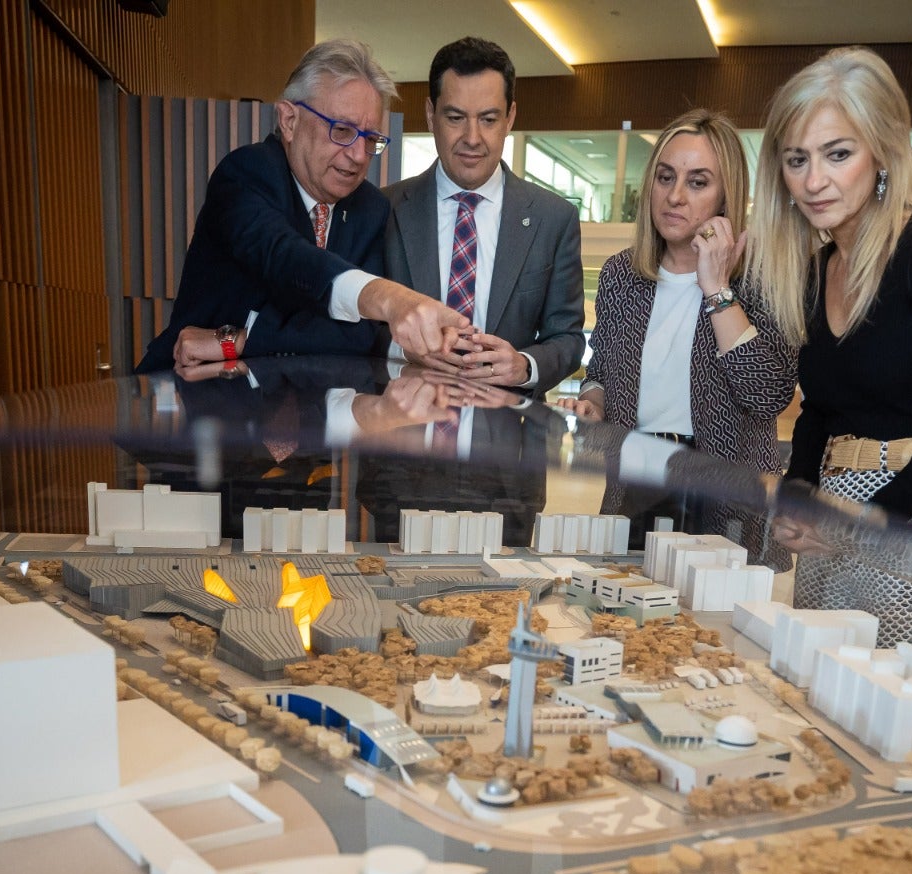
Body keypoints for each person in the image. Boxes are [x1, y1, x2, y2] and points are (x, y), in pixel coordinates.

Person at [748, 47, 912, 686]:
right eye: (796, 159)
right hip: (838, 515)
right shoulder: (815, 269)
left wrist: (876, 518)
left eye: (838, 153)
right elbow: (823, 410)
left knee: (899, 713)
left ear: (885, 153)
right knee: (822, 701)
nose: (814, 181)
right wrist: (800, 495)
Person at [359, 36, 585, 545]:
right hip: (401, 460)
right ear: (430, 114)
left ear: (509, 118)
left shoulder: (553, 219)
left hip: (507, 467)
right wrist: (406, 349)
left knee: (500, 617)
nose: (472, 137)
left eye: (488, 118)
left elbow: (568, 337)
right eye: (456, 116)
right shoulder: (382, 211)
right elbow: (358, 327)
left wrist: (523, 365)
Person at [558, 109, 796, 565]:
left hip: (726, 494)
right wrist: (594, 400)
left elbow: (767, 396)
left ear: (727, 195)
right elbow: (603, 369)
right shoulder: (621, 275)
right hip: (637, 484)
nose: (675, 196)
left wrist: (717, 289)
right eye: (665, 177)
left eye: (698, 182)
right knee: (631, 626)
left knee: (715, 631)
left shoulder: (762, 278)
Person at [143, 39, 466, 374]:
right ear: (289, 120)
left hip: (304, 405)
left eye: (370, 139)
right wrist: (386, 298)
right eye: (341, 130)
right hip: (188, 390)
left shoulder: (370, 207)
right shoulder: (246, 173)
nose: (358, 156)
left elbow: (357, 336)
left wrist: (235, 340)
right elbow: (286, 257)